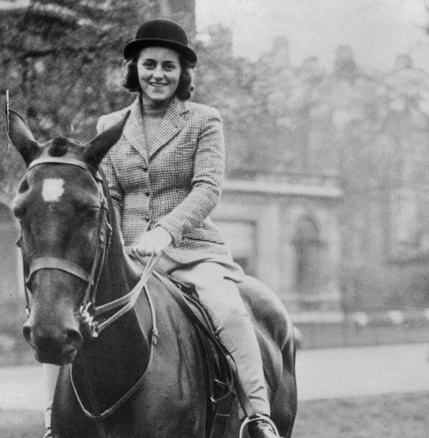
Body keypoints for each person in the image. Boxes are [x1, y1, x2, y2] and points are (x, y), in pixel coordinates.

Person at [42, 18, 280, 438]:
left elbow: (207, 188)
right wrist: (119, 242)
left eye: (169, 66)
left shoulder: (204, 120)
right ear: (134, 68)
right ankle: (52, 421)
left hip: (191, 250)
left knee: (227, 309)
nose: (158, 74)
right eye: (149, 64)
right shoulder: (109, 125)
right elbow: (109, 195)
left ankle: (258, 417)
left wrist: (165, 232)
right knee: (66, 316)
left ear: (182, 73)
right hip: (128, 254)